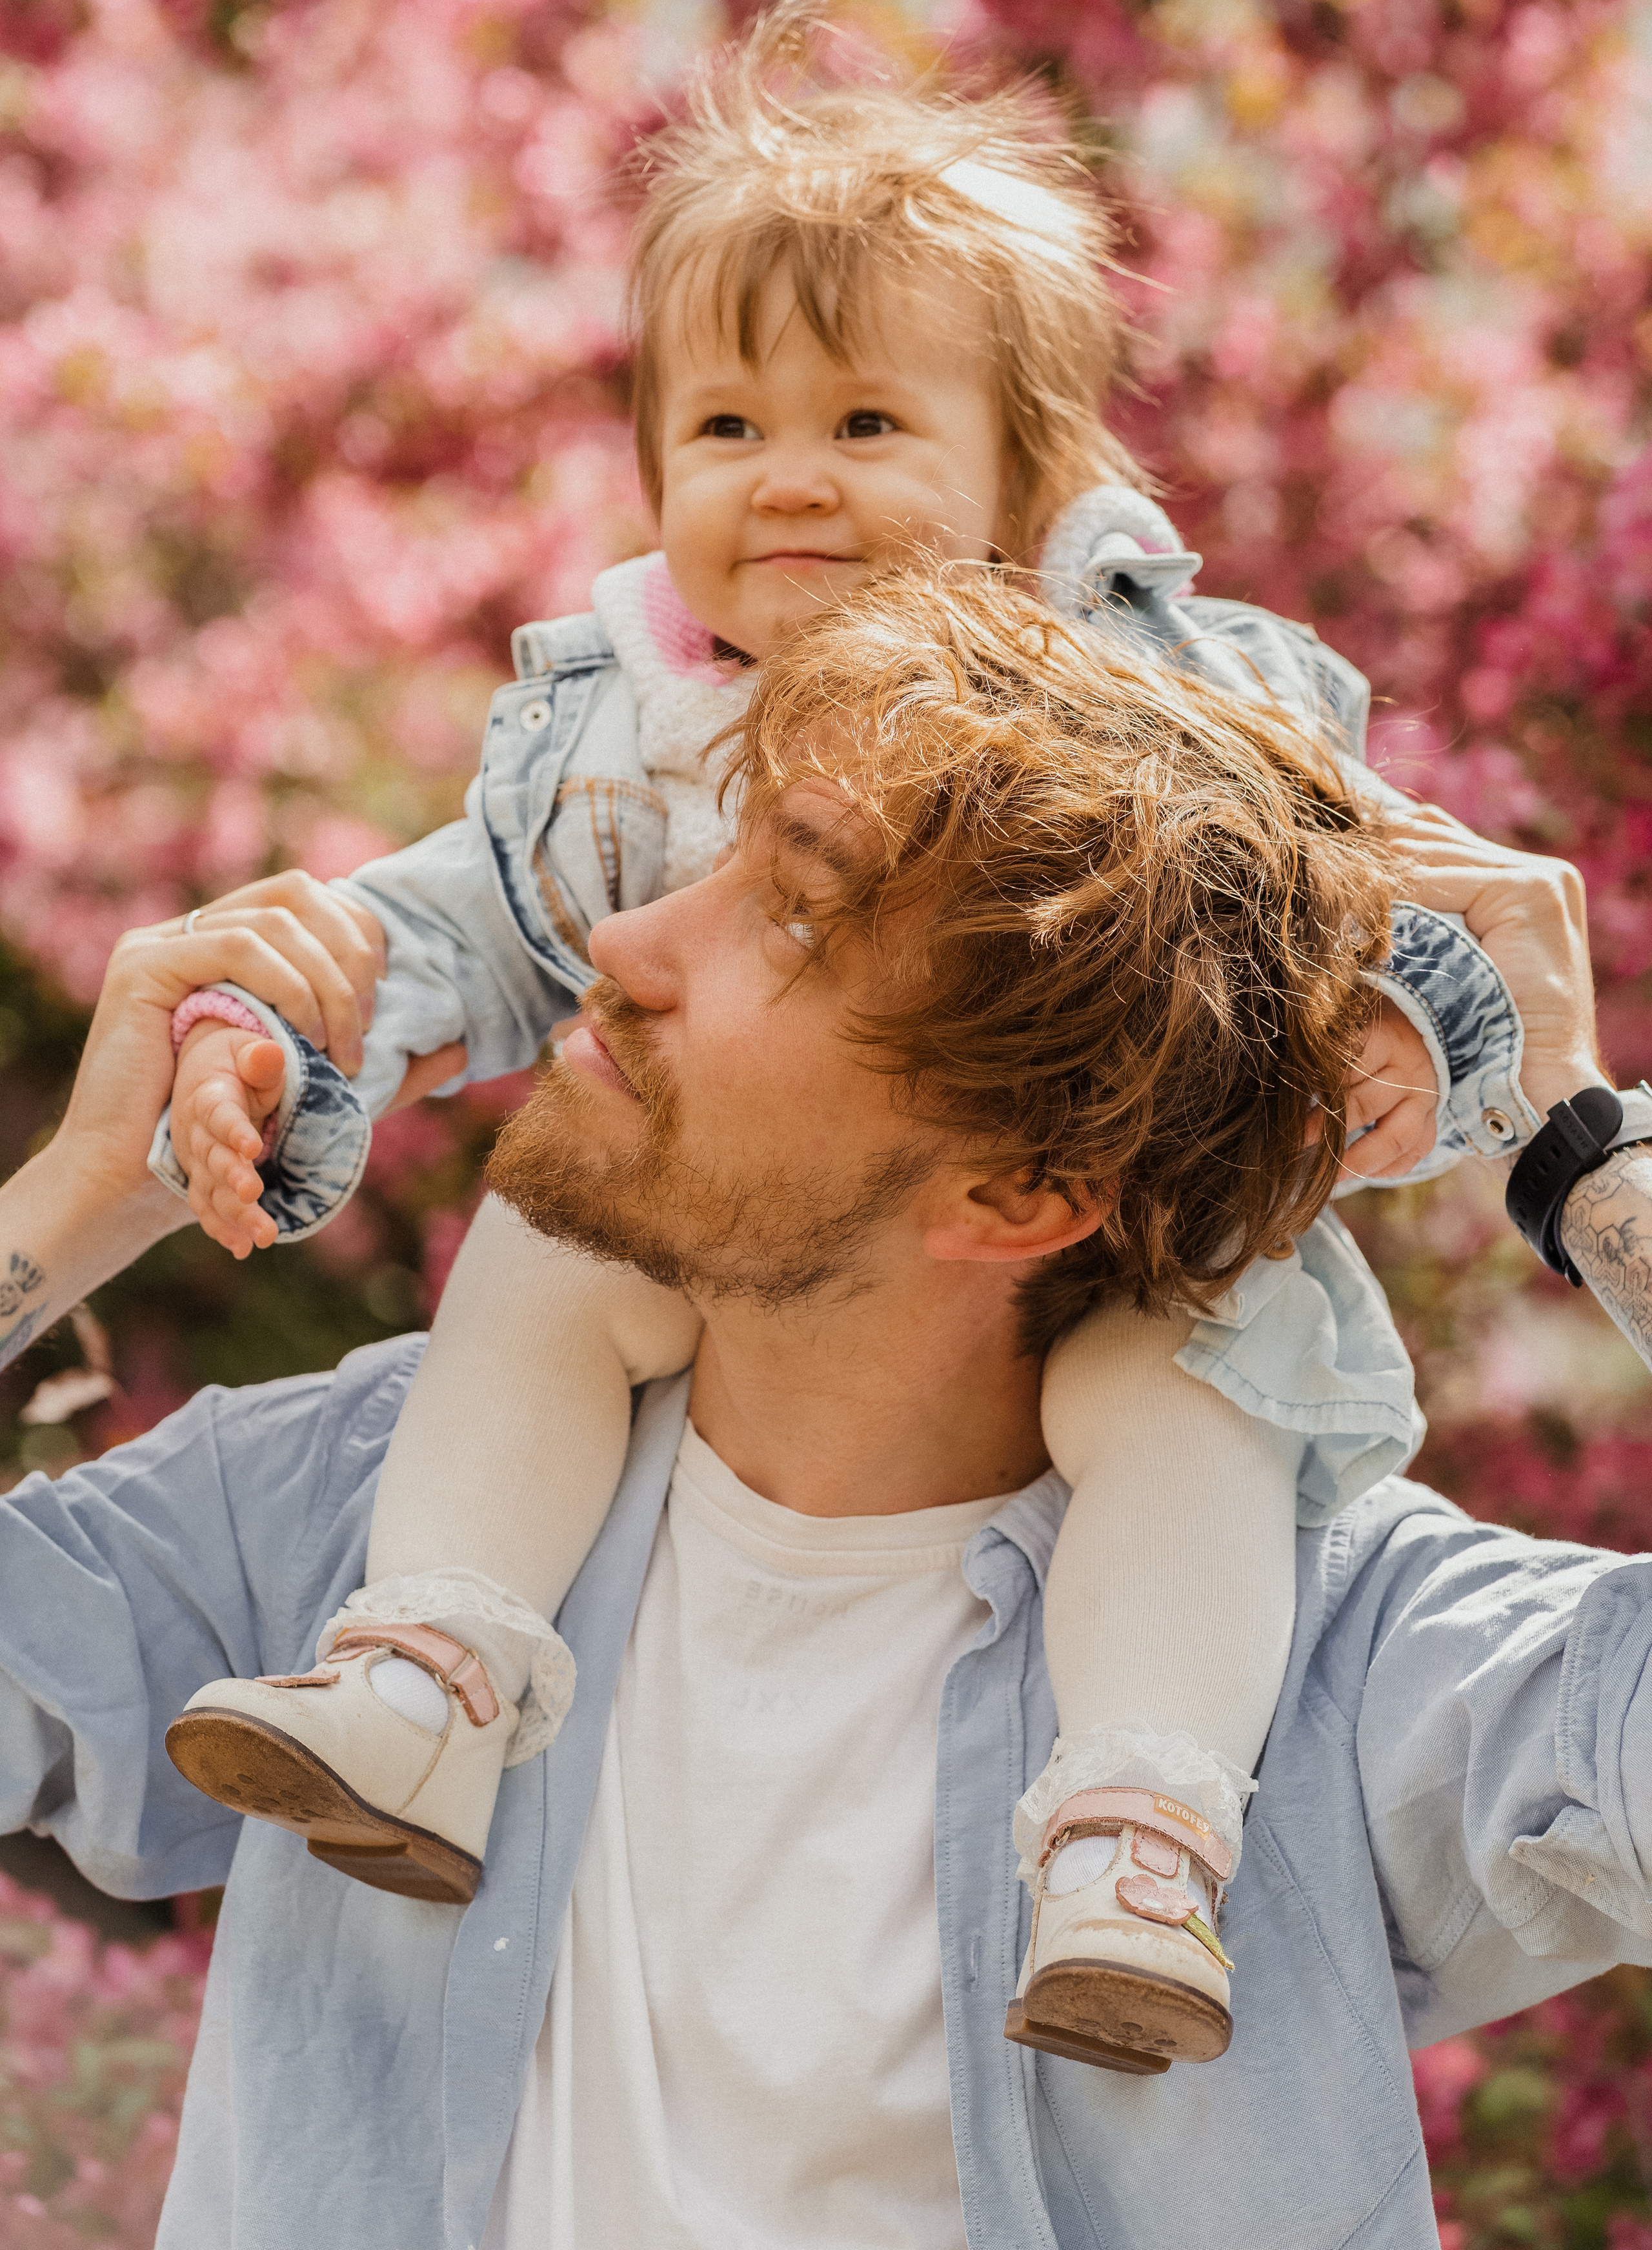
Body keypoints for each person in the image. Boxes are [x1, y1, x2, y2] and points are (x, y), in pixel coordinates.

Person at [97, 19, 1578, 2073]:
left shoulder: (1157, 712)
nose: (786, 475)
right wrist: (273, 1040)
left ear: (1029, 481)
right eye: (723, 427)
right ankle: (431, 1665)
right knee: (544, 1254)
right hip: (739, 1273)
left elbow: (1363, 911)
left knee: (1194, 1406)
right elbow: (434, 930)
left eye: (867, 421)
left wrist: (1433, 1039)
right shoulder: (623, 737)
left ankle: (1140, 1839)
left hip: (1141, 1258)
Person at [3, 572, 1652, 2250]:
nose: (627, 945)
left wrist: (1586, 1156)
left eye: (792, 914)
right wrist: (71, 1206)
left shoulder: (1335, 1666)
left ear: (1018, 1193)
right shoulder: (371, 1510)